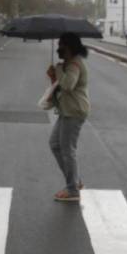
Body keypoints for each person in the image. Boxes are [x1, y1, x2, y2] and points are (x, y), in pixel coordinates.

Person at [46, 32, 90, 202]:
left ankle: (72, 189)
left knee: (67, 150)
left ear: (69, 46)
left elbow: (68, 85)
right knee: (55, 144)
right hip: (67, 110)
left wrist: (57, 70)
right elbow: (61, 87)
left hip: (74, 112)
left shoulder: (75, 65)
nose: (58, 48)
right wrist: (53, 77)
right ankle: (75, 181)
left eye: (61, 45)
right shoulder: (69, 63)